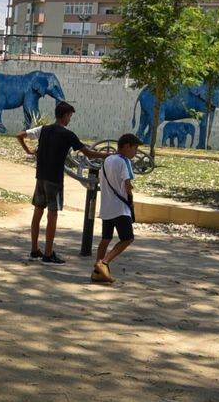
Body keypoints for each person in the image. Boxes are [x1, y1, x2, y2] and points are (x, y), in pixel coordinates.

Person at [15, 101, 105, 264]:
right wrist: (107, 155)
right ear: (65, 116)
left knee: (38, 212)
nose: (70, 119)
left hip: (40, 176)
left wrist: (29, 150)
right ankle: (48, 254)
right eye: (70, 115)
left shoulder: (43, 129)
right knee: (53, 214)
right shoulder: (68, 134)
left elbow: (19, 135)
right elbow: (89, 154)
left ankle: (35, 250)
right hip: (55, 179)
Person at [91, 133, 142, 284]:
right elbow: (127, 184)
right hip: (120, 207)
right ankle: (104, 263)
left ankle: (97, 273)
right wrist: (130, 198)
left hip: (106, 206)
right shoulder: (124, 162)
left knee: (105, 239)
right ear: (126, 146)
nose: (135, 152)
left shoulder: (107, 160)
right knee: (127, 238)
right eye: (135, 148)